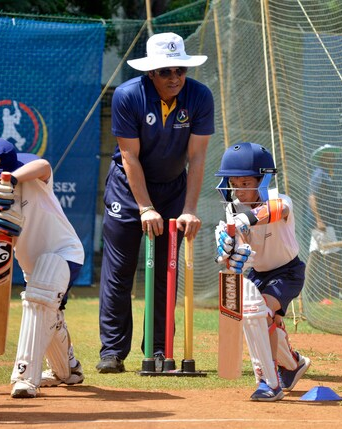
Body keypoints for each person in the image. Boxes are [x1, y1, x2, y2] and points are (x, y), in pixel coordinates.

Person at [97, 32, 214, 373]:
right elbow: (128, 156)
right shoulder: (127, 96)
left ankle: (159, 350)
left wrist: (189, 210)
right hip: (127, 189)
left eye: (180, 69)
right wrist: (145, 207)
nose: (174, 77)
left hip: (172, 189)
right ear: (151, 73)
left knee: (166, 271)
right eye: (165, 71)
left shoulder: (200, 97)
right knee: (119, 272)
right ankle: (113, 352)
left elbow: (198, 157)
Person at [0, 138, 85, 398]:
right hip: (32, 269)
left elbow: (43, 165)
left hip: (65, 253)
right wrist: (7, 223)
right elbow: (6, 243)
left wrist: (10, 180)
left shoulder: (35, 181)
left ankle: (25, 377)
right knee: (46, 308)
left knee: (38, 298)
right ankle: (67, 370)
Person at [215, 142, 311, 401]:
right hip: (258, 273)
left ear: (263, 179)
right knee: (266, 319)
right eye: (235, 183)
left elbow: (277, 210)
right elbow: (241, 250)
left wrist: (248, 219)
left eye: (246, 183)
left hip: (287, 271)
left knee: (260, 313)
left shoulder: (280, 200)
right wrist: (229, 246)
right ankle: (292, 364)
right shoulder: (233, 209)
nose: (239, 190)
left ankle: (270, 382)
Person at [307, 144, 342, 302]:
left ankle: (303, 294)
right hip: (323, 224)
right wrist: (319, 220)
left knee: (314, 258)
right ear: (323, 158)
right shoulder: (319, 174)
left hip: (325, 222)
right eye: (330, 156)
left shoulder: (327, 175)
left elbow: (330, 200)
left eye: (333, 156)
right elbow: (312, 197)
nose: (334, 158)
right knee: (335, 257)